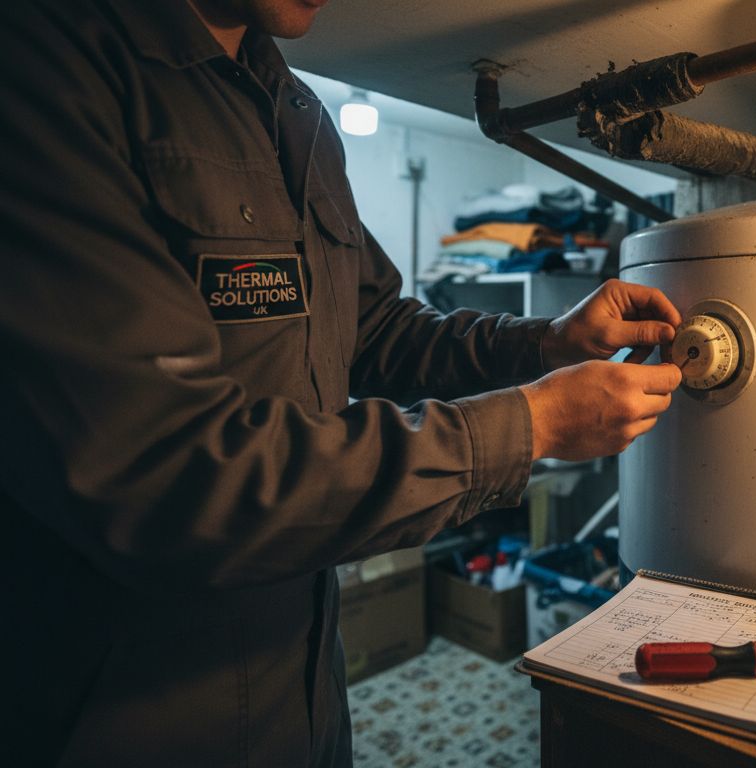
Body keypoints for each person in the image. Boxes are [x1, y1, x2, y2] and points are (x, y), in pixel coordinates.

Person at [0, 0, 683, 765]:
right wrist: (528, 426)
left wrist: (547, 341)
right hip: (135, 713)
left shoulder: (296, 110)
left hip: (302, 685)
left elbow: (373, 327)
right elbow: (166, 472)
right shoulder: (46, 60)